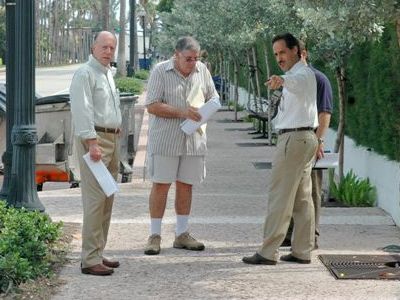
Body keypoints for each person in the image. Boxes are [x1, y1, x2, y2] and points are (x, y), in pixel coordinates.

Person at [242, 33, 318, 265]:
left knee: (280, 197)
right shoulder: (297, 74)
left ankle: (267, 252)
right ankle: (302, 250)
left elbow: (296, 84)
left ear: (296, 50)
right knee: (301, 199)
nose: (279, 57)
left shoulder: (302, 74)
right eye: (276, 54)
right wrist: (283, 80)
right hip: (304, 138)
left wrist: (282, 81)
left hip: (294, 140)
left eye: (282, 52)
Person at [144, 36, 218, 255]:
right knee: (161, 185)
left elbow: (213, 96)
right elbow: (152, 105)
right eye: (188, 58)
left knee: (186, 185)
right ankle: (154, 235)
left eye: (196, 58)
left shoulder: (202, 70)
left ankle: (182, 233)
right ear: (176, 55)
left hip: (193, 141)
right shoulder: (160, 71)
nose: (193, 62)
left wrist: (208, 108)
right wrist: (182, 112)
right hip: (166, 140)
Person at [70, 31, 121, 276]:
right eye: (104, 47)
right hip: (96, 140)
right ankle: (89, 259)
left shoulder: (108, 73)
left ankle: (97, 253)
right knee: (95, 201)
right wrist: (92, 142)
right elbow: (82, 110)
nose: (108, 51)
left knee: (107, 199)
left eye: (112, 47)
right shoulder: (85, 74)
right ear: (93, 47)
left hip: (112, 138)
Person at [281, 42, 333, 249]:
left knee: (310, 192)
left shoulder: (318, 79)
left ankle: (312, 236)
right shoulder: (291, 81)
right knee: (293, 190)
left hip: (308, 142)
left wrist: (318, 140)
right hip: (292, 143)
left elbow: (325, 113)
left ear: (302, 54)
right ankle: (291, 233)